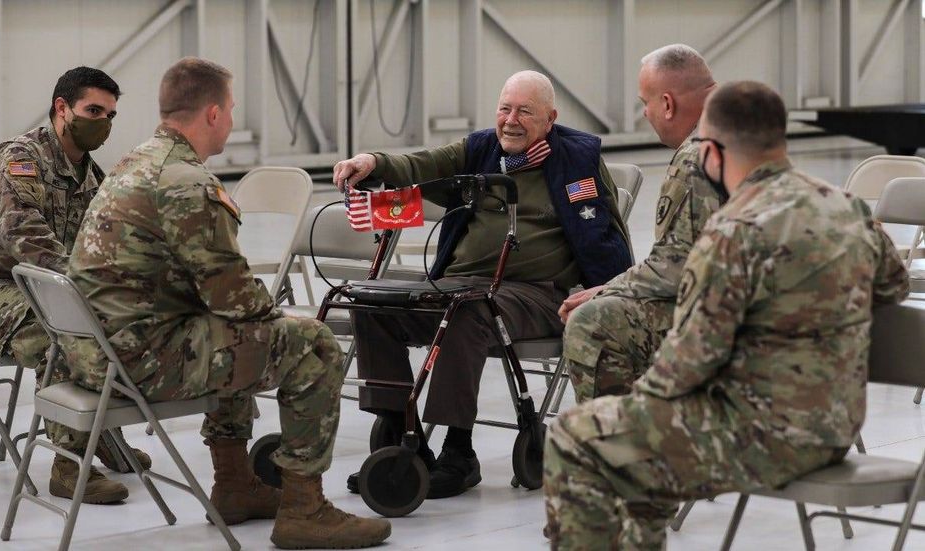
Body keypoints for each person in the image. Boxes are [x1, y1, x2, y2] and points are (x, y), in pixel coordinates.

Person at [543, 81, 910, 549]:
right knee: (635, 447)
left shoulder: (732, 233)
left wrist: (628, 408)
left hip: (757, 440)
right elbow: (894, 286)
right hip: (834, 430)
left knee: (577, 436)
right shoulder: (849, 209)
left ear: (712, 153)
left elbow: (686, 366)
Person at [61, 57, 390, 549]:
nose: (232, 122)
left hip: (93, 354)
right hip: (139, 362)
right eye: (231, 111)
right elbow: (233, 296)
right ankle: (304, 509)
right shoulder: (187, 183)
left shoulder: (136, 162)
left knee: (228, 331)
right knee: (313, 344)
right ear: (212, 114)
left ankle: (235, 485)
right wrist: (283, 318)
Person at [333, 70, 632, 499]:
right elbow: (423, 164)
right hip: (459, 284)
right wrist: (374, 162)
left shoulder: (575, 160)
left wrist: (612, 291)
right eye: (504, 108)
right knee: (371, 302)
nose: (511, 120)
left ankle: (459, 452)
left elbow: (606, 235)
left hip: (536, 294)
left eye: (525, 111)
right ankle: (405, 441)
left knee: (468, 310)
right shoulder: (481, 149)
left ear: (550, 118)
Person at [0, 66, 149, 504]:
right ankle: (68, 463)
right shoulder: (19, 159)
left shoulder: (91, 177)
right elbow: (23, 235)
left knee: (114, 321)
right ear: (62, 108)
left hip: (45, 288)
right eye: (94, 110)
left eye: (111, 115)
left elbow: (105, 244)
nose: (104, 123)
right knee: (63, 328)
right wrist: (86, 289)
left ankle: (102, 433)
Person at [561, 44, 721, 403]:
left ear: (667, 104)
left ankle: (619, 448)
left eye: (644, 103)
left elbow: (674, 269)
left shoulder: (696, 155)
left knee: (591, 323)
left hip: (728, 316)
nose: (645, 114)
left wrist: (607, 289)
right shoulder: (749, 127)